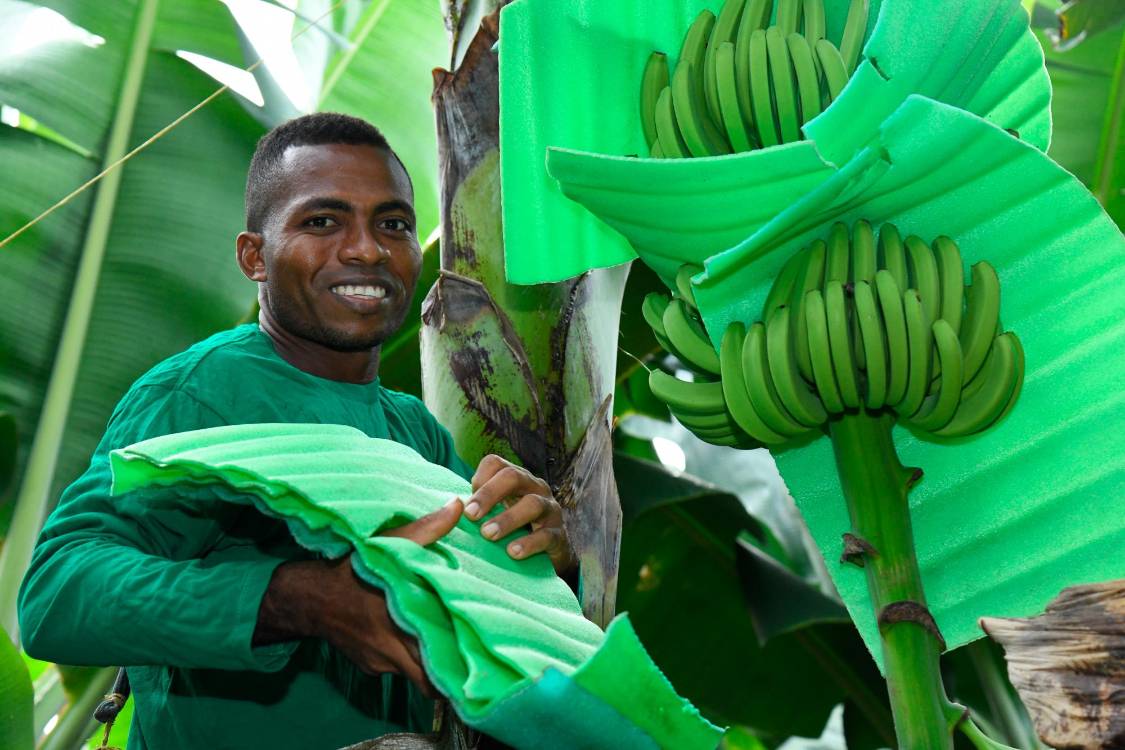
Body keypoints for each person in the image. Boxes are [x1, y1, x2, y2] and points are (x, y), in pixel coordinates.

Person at [18, 112, 576, 750]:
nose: (367, 249)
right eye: (322, 222)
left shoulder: (413, 430)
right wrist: (300, 601)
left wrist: (541, 561)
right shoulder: (204, 394)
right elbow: (57, 591)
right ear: (255, 257)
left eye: (391, 224)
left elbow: (473, 619)